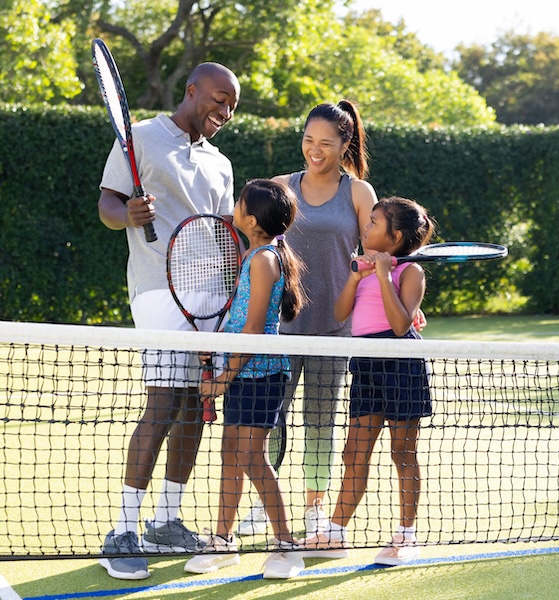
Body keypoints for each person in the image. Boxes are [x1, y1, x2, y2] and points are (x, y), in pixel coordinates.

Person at [238, 100, 425, 545]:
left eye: (325, 143)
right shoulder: (281, 186)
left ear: (345, 144)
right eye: (308, 141)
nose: (315, 151)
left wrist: (406, 297)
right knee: (270, 420)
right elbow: (257, 241)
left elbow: (379, 248)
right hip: (281, 327)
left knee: (320, 421)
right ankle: (262, 506)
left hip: (338, 330)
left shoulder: (359, 192)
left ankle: (315, 508)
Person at [96, 62, 240, 580]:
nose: (222, 111)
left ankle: (167, 519)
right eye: (218, 99)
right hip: (158, 289)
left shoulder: (221, 164)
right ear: (192, 90)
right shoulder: (140, 138)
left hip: (210, 297)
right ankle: (123, 530)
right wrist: (127, 214)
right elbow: (107, 204)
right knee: (162, 402)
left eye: (231, 106)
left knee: (193, 404)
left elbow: (227, 233)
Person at [183, 179, 308, 579]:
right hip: (242, 371)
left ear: (251, 219)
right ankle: (223, 540)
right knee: (231, 456)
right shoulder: (255, 253)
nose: (233, 206)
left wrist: (222, 377)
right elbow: (239, 322)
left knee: (252, 459)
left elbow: (254, 329)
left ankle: (286, 545)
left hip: (261, 374)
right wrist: (217, 347)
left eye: (239, 204)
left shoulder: (263, 259)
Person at [302, 196, 435, 566]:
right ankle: (335, 534)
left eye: (374, 223)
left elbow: (399, 325)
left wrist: (382, 276)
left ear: (394, 237)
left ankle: (406, 536)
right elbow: (341, 312)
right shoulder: (359, 266)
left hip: (401, 363)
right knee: (353, 453)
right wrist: (358, 276)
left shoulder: (410, 273)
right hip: (365, 363)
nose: (366, 227)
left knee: (402, 454)